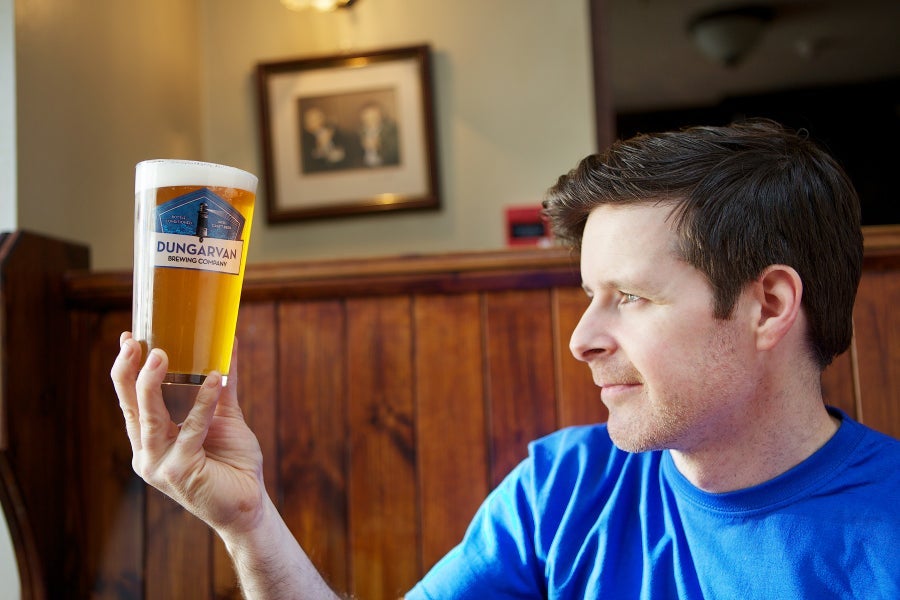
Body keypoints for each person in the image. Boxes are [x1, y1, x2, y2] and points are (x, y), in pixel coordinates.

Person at [111, 119, 900, 599]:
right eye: (589, 294)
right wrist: (248, 523)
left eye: (629, 297)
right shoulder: (564, 486)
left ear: (768, 306)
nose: (581, 338)